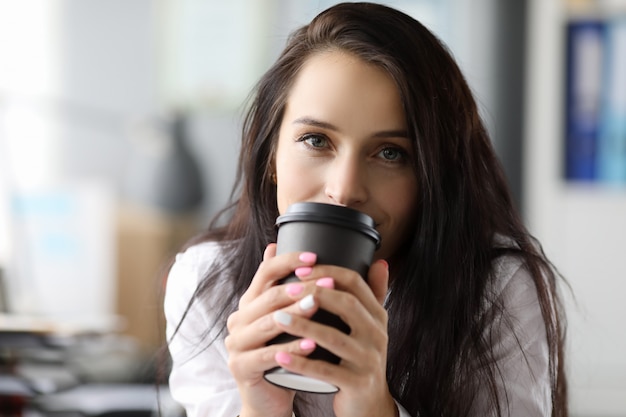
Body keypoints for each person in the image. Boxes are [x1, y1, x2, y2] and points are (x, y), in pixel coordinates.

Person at [163, 2, 568, 416]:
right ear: (271, 157)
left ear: (433, 176)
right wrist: (260, 408)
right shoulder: (208, 285)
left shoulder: (496, 290)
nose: (345, 189)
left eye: (390, 153)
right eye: (317, 141)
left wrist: (373, 406)